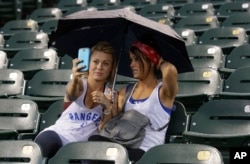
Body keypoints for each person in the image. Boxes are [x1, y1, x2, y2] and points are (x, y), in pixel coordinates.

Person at [89, 40, 178, 162]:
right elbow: (105, 127)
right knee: (93, 143)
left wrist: (159, 61)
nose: (131, 64)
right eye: (131, 60)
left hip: (147, 152)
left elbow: (171, 70)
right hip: (121, 145)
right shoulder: (125, 91)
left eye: (136, 59)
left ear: (150, 61)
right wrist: (107, 106)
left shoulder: (163, 93)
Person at [34, 41, 117, 158]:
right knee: (47, 144)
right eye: (95, 62)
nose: (99, 67)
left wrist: (107, 106)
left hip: (84, 147)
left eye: (106, 63)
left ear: (111, 68)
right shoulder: (79, 84)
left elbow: (104, 130)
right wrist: (75, 78)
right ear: (89, 62)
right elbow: (71, 94)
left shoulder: (111, 95)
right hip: (60, 134)